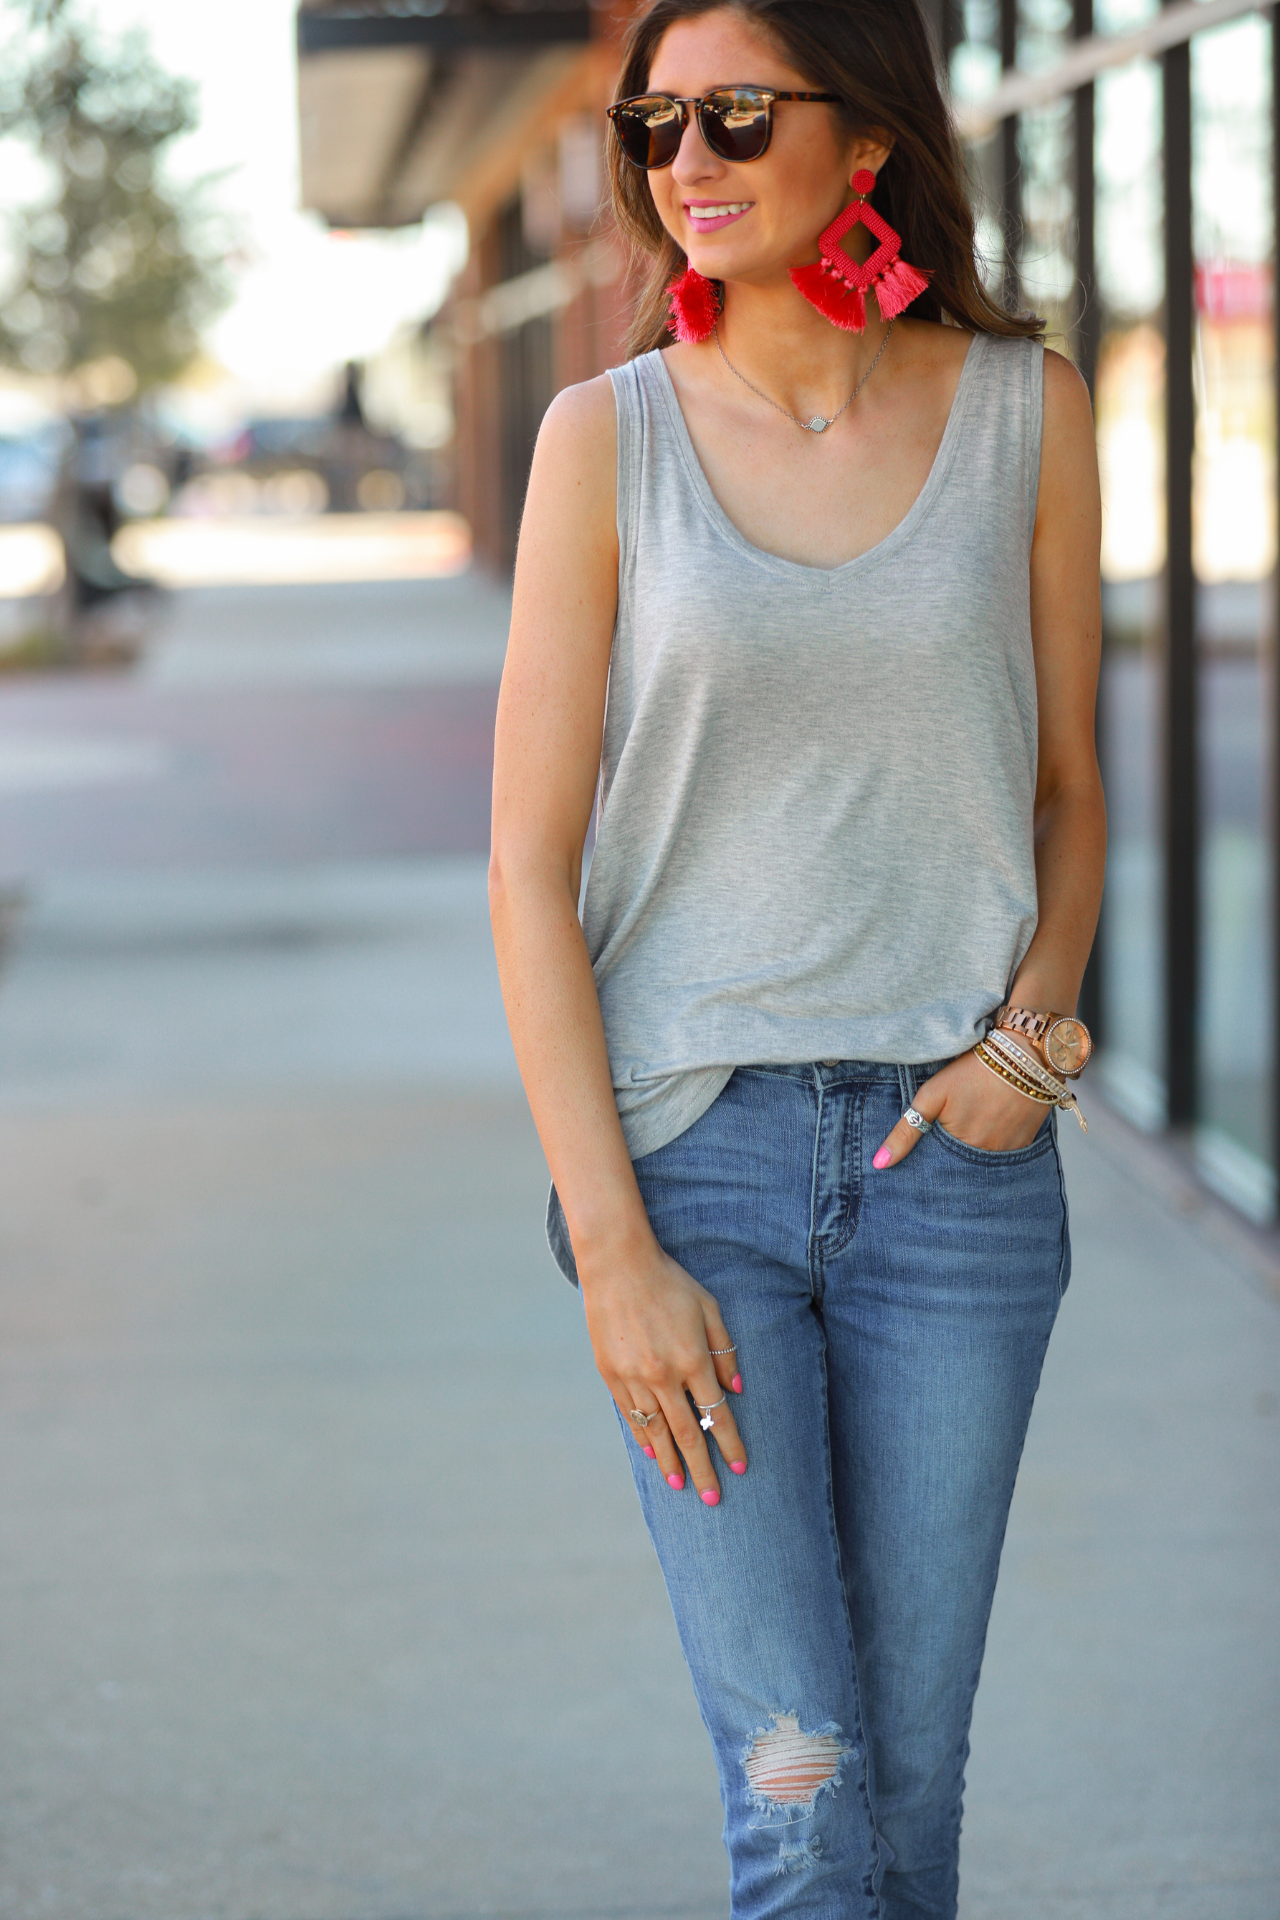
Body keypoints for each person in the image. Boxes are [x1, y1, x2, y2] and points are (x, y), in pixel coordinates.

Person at [489, 0, 1105, 1912]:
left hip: (957, 1179)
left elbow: (1071, 789)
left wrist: (1026, 1048)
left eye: (739, 115)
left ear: (870, 136)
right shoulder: (603, 441)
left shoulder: (1026, 411)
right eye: (656, 124)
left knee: (908, 1781)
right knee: (803, 1785)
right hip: (699, 1171)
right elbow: (524, 868)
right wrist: (613, 1253)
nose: (689, 161)